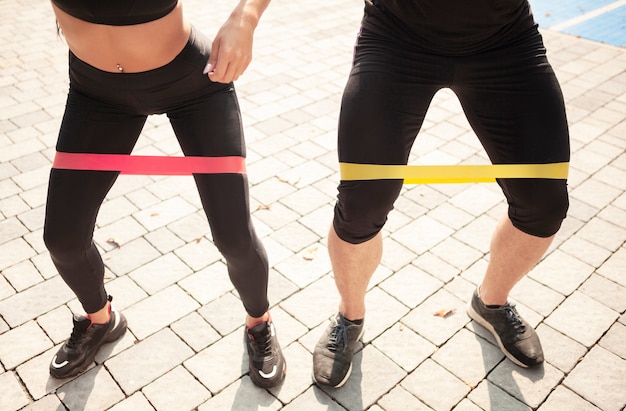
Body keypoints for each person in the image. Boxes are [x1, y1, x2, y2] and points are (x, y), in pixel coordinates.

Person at [312, 0, 570, 388]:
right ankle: (350, 317)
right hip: (397, 39)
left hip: (504, 40)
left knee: (544, 205)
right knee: (361, 205)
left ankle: (491, 303)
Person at [44, 0, 286, 389]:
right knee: (63, 239)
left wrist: (245, 17)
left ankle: (259, 323)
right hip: (96, 92)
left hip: (193, 84)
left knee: (234, 238)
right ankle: (100, 319)